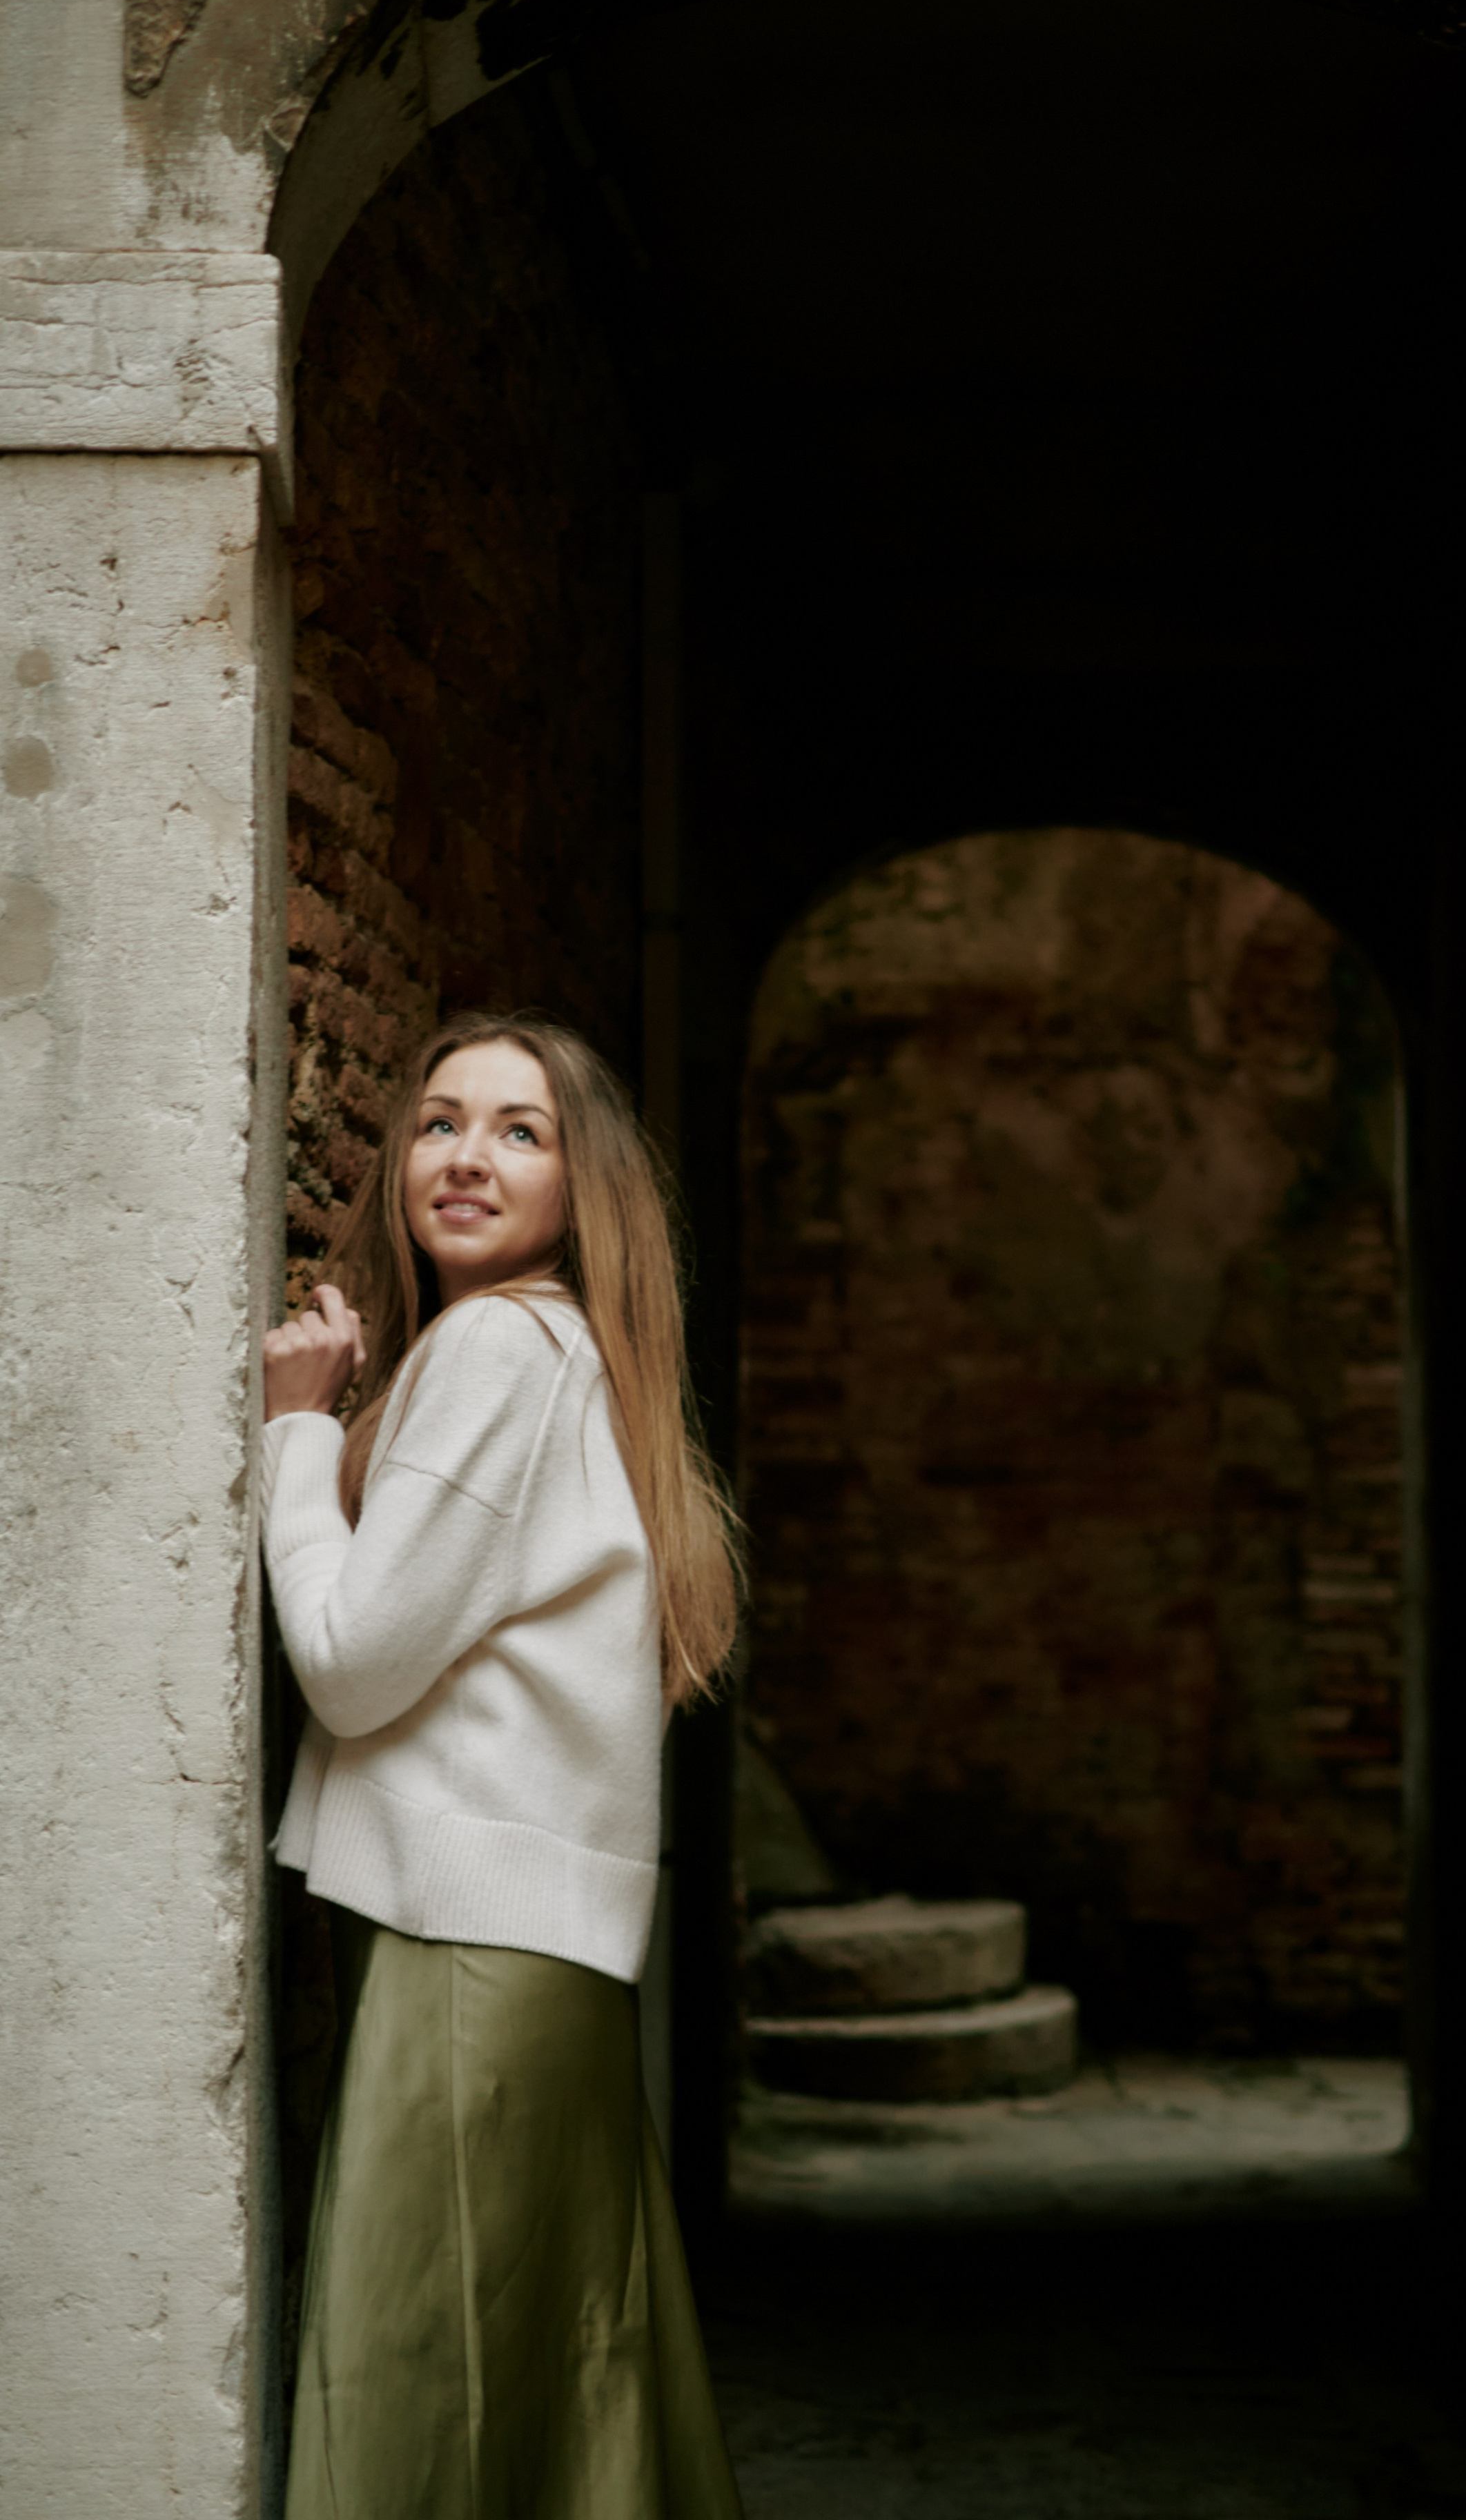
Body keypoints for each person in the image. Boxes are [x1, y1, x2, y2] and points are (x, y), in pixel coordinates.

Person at [260, 1008, 745, 2520]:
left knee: (414, 2374)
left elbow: (346, 1664)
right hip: (535, 1957)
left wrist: (291, 1436)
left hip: (467, 1948)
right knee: (563, 2366)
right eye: (439, 1121)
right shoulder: (568, 1355)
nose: (466, 1155)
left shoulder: (495, 1347)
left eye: (519, 1131)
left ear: (577, 1184)